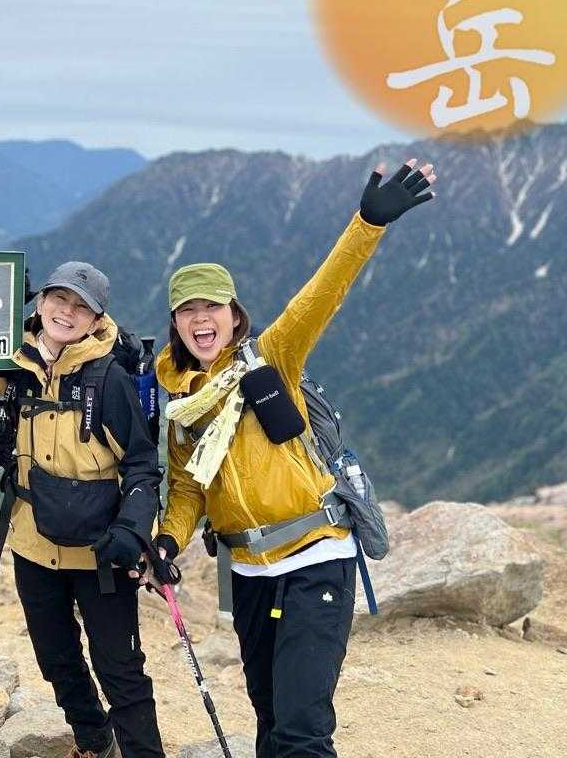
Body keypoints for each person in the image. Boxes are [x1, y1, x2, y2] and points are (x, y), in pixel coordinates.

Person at [146, 160, 438, 758]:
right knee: (271, 717)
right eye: (188, 310)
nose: (201, 319)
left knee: (303, 728)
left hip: (316, 555)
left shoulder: (273, 356)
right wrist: (168, 542)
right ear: (175, 323)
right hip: (247, 571)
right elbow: (187, 491)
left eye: (213, 307)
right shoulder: (179, 404)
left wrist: (368, 224)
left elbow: (320, 296)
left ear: (234, 314)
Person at [0, 262, 164, 758]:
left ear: (96, 320)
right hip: (32, 542)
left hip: (101, 551)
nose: (66, 312)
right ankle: (94, 742)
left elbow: (141, 464)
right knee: (57, 660)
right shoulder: (18, 365)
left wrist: (133, 530)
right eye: (58, 299)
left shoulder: (108, 378)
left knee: (120, 671)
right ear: (41, 301)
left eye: (81, 307)